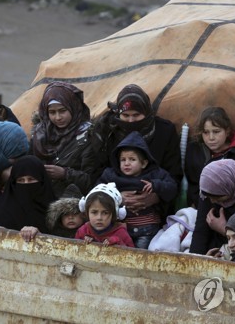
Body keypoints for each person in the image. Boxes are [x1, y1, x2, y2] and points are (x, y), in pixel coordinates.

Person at [91, 83, 183, 221]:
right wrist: (115, 196)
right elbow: (96, 172)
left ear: (146, 112)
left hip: (154, 212)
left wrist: (155, 197)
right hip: (112, 212)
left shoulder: (164, 131)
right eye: (126, 115)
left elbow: (174, 174)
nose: (131, 120)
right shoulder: (108, 132)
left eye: (136, 115)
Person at [97, 131, 178, 248]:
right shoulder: (111, 176)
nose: (127, 163)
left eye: (132, 159)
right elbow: (98, 192)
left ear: (144, 163)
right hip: (119, 229)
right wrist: (116, 196)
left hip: (148, 228)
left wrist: (156, 185)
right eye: (123, 160)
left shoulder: (155, 174)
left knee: (142, 257)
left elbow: (172, 188)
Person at [185, 106, 235, 208]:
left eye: (216, 132)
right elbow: (193, 184)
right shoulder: (195, 151)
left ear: (227, 131)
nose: (211, 138)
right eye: (206, 132)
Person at [30, 81, 94, 197]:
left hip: (72, 202)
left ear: (73, 107)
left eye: (62, 111)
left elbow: (92, 180)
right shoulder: (39, 134)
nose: (58, 117)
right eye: (52, 112)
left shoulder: (87, 137)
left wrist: (65, 174)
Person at [0, 155, 57, 234]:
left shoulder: (56, 210)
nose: (26, 184)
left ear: (42, 180)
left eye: (31, 179)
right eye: (21, 180)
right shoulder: (4, 212)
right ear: (13, 183)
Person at [75, 183, 134, 247]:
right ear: (87, 212)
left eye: (105, 213)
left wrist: (118, 242)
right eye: (94, 212)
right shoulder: (83, 231)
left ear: (114, 214)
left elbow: (133, 255)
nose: (99, 217)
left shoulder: (121, 233)